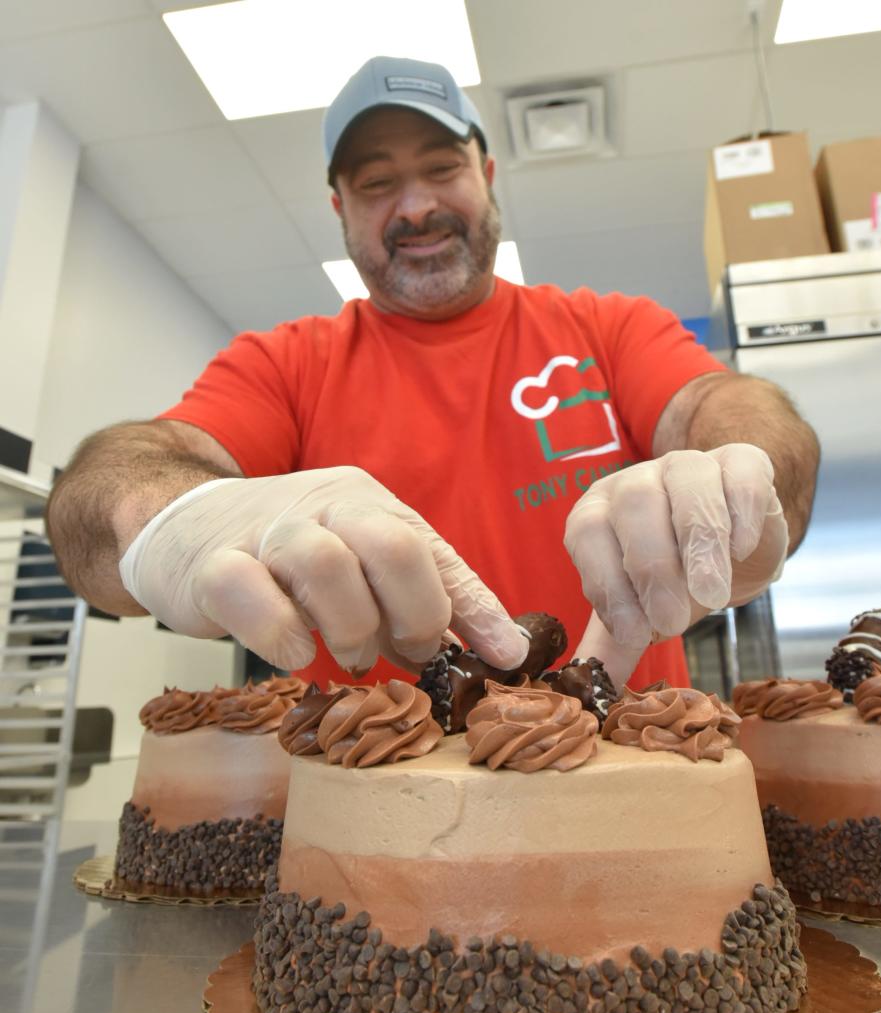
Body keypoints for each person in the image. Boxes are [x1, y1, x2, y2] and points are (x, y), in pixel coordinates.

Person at [45, 56, 819, 693]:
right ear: (338, 206)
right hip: (373, 830)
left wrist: (740, 476)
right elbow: (106, 496)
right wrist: (171, 515)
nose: (415, 205)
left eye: (442, 167)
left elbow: (723, 403)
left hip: (637, 784)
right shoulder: (283, 365)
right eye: (377, 183)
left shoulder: (608, 329)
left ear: (485, 173)